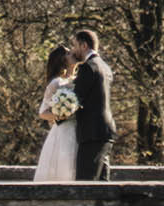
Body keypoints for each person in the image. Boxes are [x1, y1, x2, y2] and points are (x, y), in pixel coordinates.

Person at [70, 26, 116, 181]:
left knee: (85, 183)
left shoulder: (88, 67)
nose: (73, 50)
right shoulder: (105, 67)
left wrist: (60, 115)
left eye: (75, 45)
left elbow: (75, 99)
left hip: (91, 133)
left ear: (84, 45)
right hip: (106, 131)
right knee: (103, 185)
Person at [33, 45, 79, 184]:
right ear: (63, 60)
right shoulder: (56, 83)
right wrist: (61, 114)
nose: (74, 55)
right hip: (64, 131)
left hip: (79, 129)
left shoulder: (78, 79)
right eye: (70, 54)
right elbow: (43, 112)